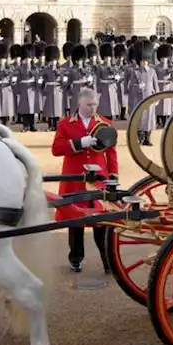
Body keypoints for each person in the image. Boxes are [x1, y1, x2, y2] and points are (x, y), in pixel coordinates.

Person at [51, 87, 119, 273]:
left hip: (98, 180)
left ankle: (108, 261)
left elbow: (112, 153)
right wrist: (79, 143)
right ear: (80, 103)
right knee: (75, 222)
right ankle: (76, 258)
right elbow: (56, 149)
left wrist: (113, 177)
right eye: (89, 105)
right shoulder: (65, 124)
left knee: (102, 222)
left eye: (95, 104)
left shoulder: (105, 123)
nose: (93, 108)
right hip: (74, 179)